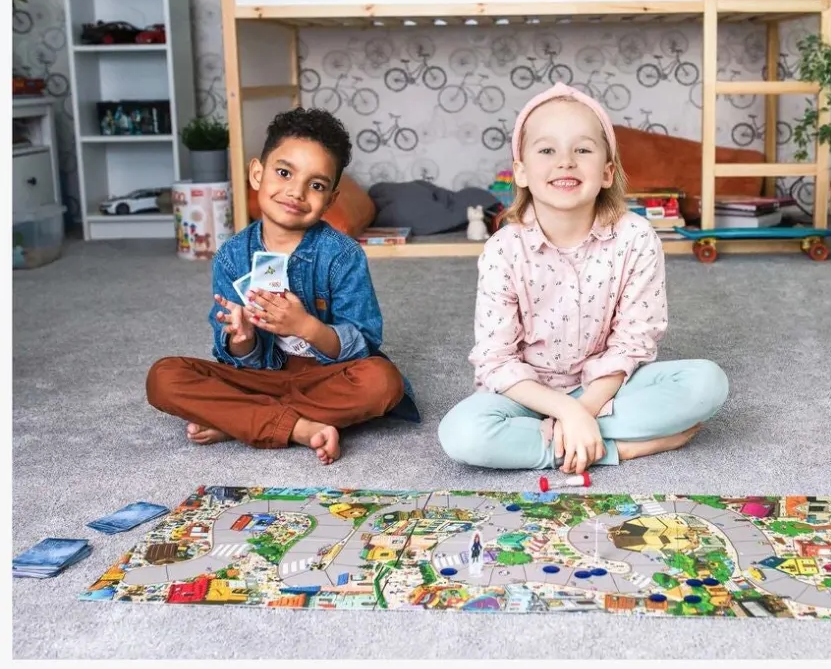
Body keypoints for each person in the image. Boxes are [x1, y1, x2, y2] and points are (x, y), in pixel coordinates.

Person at [438, 83, 728, 472]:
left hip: (608, 389)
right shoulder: (503, 250)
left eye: (583, 150)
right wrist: (565, 411)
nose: (566, 162)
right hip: (526, 397)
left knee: (707, 384)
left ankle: (562, 438)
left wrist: (583, 408)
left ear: (607, 172)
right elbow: (496, 360)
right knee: (462, 434)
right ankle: (618, 448)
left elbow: (634, 342)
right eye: (547, 150)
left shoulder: (636, 238)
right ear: (520, 172)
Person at [147, 108, 415, 465]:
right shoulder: (232, 256)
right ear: (257, 174)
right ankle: (297, 426)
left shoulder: (342, 255)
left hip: (327, 380)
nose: (296, 192)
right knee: (164, 376)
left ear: (331, 199)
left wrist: (306, 327)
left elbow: (363, 344)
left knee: (383, 381)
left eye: (316, 185)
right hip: (259, 379)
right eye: (284, 173)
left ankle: (241, 421)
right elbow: (232, 356)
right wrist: (242, 340)